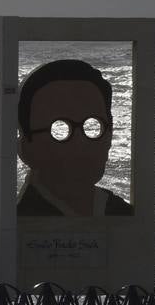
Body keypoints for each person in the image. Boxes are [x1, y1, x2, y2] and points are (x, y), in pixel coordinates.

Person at [16, 59, 133, 217]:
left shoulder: (120, 214)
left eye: (93, 127)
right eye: (59, 130)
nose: (80, 144)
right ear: (26, 147)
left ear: (109, 138)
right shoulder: (20, 218)